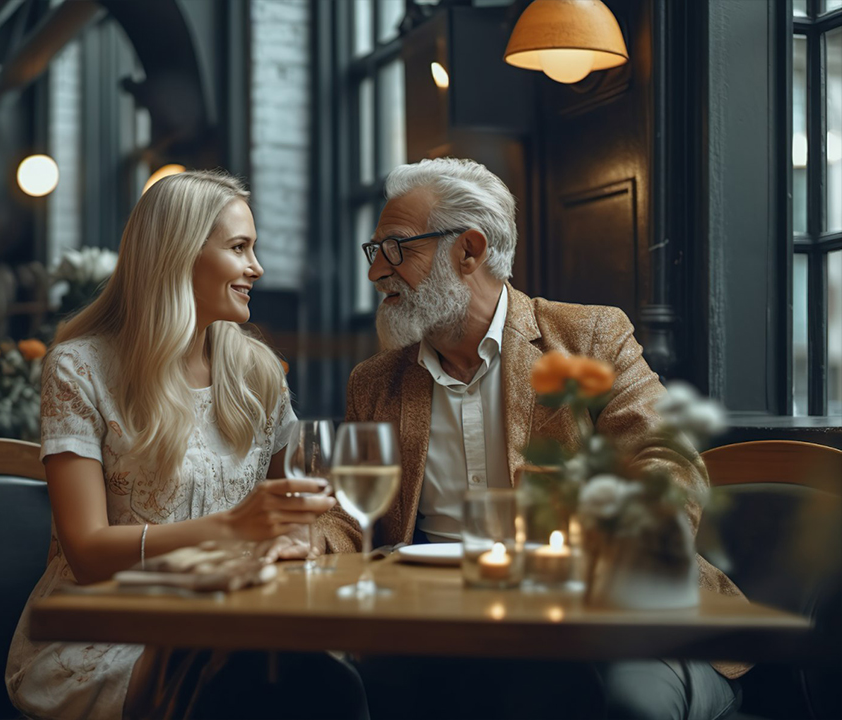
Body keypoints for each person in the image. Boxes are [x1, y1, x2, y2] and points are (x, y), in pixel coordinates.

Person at [313, 157, 748, 720]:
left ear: (468, 250)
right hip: (441, 621)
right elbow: (348, 515)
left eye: (395, 248)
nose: (376, 272)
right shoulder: (375, 381)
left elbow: (666, 458)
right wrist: (310, 538)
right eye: (375, 252)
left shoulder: (589, 336)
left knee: (625, 705)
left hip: (617, 615)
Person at [5, 170, 365, 720]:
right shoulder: (80, 368)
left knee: (326, 681)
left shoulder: (257, 372)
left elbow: (301, 512)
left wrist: (301, 538)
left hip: (234, 618)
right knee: (249, 684)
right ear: (179, 255)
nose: (257, 268)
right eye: (239, 248)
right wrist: (234, 527)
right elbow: (87, 553)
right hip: (110, 630)